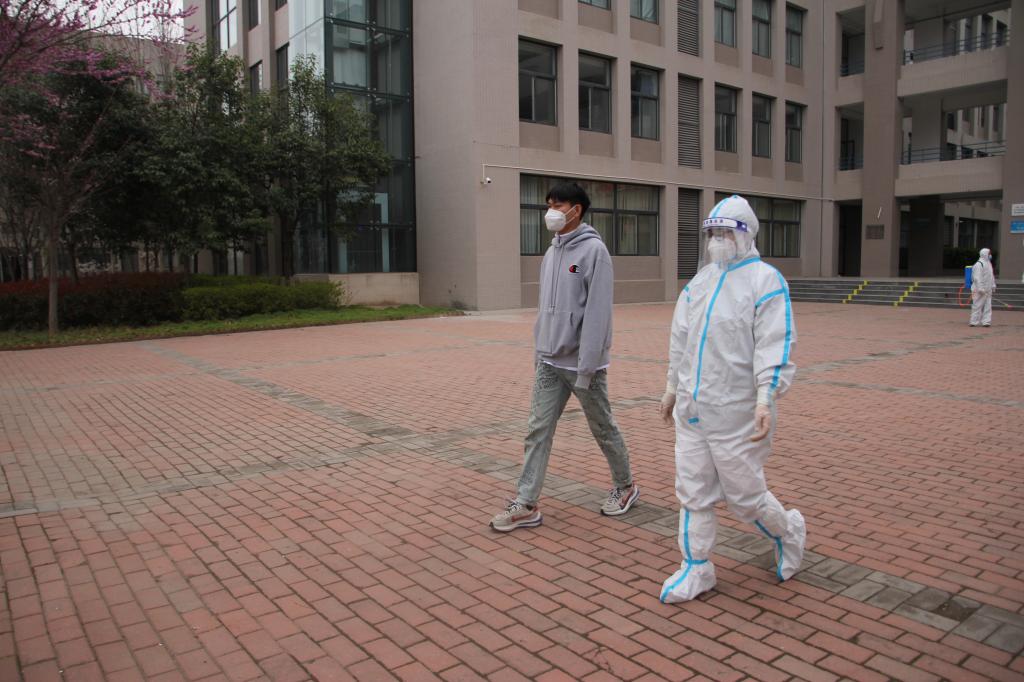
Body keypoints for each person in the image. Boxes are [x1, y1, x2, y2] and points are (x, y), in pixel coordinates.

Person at [657, 194, 805, 603]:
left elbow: (774, 343)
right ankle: (696, 566)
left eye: (726, 233)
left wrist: (765, 396)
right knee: (692, 492)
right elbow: (681, 341)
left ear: (746, 235)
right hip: (693, 411)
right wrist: (672, 389)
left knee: (746, 497)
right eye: (714, 233)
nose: (718, 241)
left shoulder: (765, 281)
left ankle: (789, 531)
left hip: (736, 412)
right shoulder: (700, 283)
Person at [490, 182, 638, 532]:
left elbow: (598, 313)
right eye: (549, 204)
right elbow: (545, 308)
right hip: (550, 361)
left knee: (602, 427)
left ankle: (626, 486)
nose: (551, 211)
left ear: (577, 209)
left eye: (558, 205)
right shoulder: (551, 252)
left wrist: (587, 366)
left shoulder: (594, 252)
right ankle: (526, 502)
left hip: (583, 364)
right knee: (537, 430)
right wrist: (539, 351)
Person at [970, 247, 995, 327]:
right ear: (985, 254)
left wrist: (993, 285)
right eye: (989, 253)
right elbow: (977, 278)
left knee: (988, 306)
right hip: (979, 290)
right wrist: (980, 288)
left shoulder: (989, 263)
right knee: (977, 305)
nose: (990, 255)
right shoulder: (979, 264)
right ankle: (974, 321)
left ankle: (986, 322)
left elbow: (991, 276)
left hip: (988, 289)